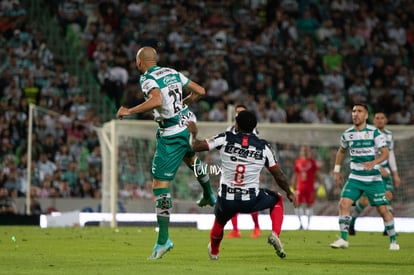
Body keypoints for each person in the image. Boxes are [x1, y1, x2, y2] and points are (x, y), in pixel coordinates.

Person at [116, 46, 216, 260]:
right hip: (188, 121)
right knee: (191, 158)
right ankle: (208, 194)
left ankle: (163, 240)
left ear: (140, 62)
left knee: (160, 186)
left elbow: (157, 100)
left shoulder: (146, 78)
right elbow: (200, 91)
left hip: (171, 133)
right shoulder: (171, 71)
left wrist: (130, 111)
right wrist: (184, 103)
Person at [187, 110, 298, 260]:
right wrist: (289, 192)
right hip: (250, 200)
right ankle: (275, 234)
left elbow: (196, 146)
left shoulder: (226, 138)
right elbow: (279, 175)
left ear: (237, 125)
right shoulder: (263, 147)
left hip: (227, 199)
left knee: (219, 221)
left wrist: (193, 134)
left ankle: (214, 252)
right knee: (277, 199)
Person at [330, 103, 400, 250]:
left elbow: (385, 153)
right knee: (343, 204)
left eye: (359, 111)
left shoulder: (375, 133)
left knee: (383, 210)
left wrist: (374, 163)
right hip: (355, 177)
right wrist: (337, 170)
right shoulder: (347, 134)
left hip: (373, 178)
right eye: (353, 111)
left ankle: (393, 241)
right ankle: (343, 239)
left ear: (366, 115)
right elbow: (341, 151)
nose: (355, 114)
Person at [348, 111, 401, 235]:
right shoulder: (366, 133)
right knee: (365, 201)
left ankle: (388, 229)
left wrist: (395, 173)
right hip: (370, 171)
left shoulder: (389, 135)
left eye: (382, 118)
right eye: (377, 118)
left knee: (387, 197)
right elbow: (363, 153)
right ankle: (352, 223)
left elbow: (390, 154)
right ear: (374, 120)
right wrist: (376, 166)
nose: (380, 120)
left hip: (385, 172)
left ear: (386, 120)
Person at [225, 104, 261, 238]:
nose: (239, 114)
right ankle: (235, 230)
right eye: (237, 112)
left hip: (248, 167)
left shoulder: (253, 130)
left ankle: (257, 227)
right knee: (232, 198)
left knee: (251, 197)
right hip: (234, 167)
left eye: (242, 112)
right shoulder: (229, 130)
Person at [291, 144, 323, 230]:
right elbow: (295, 174)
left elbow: (317, 174)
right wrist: (292, 184)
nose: (304, 151)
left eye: (306, 150)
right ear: (301, 152)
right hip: (300, 187)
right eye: (303, 150)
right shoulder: (298, 161)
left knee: (309, 205)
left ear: (308, 152)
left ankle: (308, 226)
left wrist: (321, 184)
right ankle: (301, 224)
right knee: (297, 205)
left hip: (310, 187)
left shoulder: (312, 162)